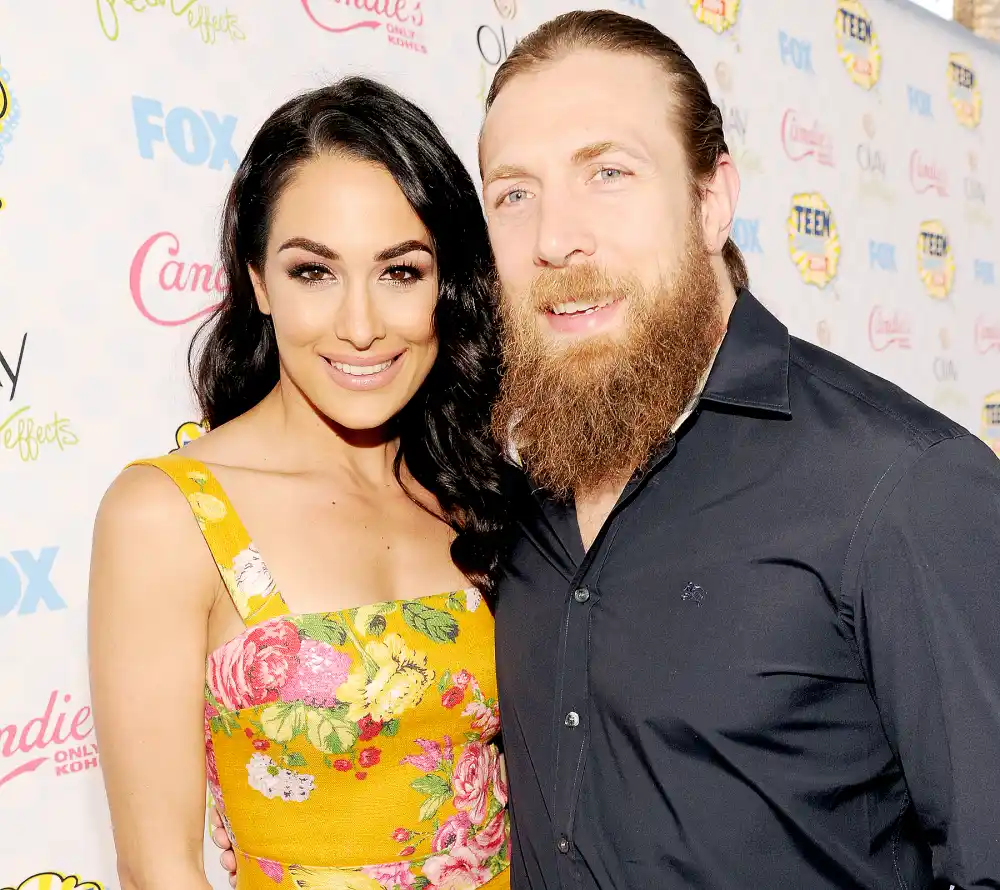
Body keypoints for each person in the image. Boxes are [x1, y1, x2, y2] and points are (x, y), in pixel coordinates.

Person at [215, 10, 1000, 890]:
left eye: (609, 173)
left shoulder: (902, 487)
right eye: (515, 193)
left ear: (712, 199)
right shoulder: (506, 493)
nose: (557, 238)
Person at [88, 77, 514, 890]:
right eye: (315, 272)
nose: (360, 325)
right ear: (257, 281)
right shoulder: (170, 516)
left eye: (401, 272)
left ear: (447, 284)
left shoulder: (475, 491)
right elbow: (158, 868)